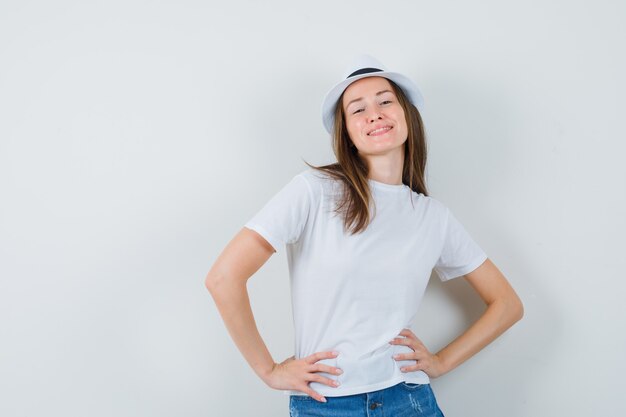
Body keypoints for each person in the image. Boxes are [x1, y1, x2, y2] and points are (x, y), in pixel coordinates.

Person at [205, 54, 524, 416]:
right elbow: (223, 278)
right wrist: (269, 371)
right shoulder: (314, 191)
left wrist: (440, 362)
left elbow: (508, 305)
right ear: (347, 133)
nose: (374, 113)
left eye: (385, 101)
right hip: (325, 404)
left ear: (406, 116)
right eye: (357, 109)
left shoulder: (433, 217)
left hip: (407, 399)